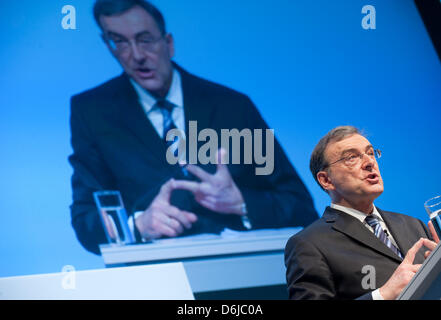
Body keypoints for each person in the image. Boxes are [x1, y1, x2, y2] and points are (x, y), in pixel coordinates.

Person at [69, 0, 318, 255]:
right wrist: (138, 224)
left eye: (145, 40)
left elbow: (301, 207)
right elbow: (85, 219)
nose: (136, 55)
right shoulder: (91, 112)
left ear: (169, 43)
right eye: (119, 42)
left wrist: (242, 204)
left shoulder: (232, 106)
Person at [284, 126, 439, 300]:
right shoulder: (308, 244)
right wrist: (382, 295)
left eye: (371, 153)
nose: (369, 162)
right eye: (351, 157)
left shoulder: (413, 225)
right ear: (326, 180)